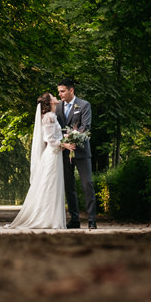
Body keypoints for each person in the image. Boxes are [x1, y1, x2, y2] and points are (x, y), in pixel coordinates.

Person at [5, 93, 67, 229]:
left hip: (55, 154)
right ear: (50, 101)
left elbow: (54, 137)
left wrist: (65, 139)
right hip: (52, 155)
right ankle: (46, 218)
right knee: (49, 185)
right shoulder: (49, 117)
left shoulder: (51, 116)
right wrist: (64, 144)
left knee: (52, 185)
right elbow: (49, 139)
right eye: (53, 96)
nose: (56, 97)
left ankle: (51, 218)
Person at [56, 78, 97, 229]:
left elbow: (86, 126)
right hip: (65, 152)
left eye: (62, 91)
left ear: (71, 90)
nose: (60, 94)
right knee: (69, 186)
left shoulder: (84, 105)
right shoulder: (58, 107)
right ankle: (75, 219)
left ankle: (92, 219)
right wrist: (64, 141)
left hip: (82, 151)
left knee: (87, 184)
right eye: (59, 91)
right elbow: (55, 128)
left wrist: (75, 138)